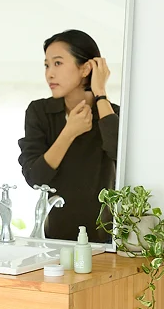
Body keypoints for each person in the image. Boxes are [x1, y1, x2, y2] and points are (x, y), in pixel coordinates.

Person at [18, 30, 119, 243]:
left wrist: (100, 93)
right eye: (47, 65)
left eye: (58, 63)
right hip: (54, 241)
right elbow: (35, 178)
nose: (49, 74)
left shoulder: (113, 115)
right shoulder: (40, 112)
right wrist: (69, 132)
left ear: (86, 68)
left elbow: (120, 153)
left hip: (105, 243)